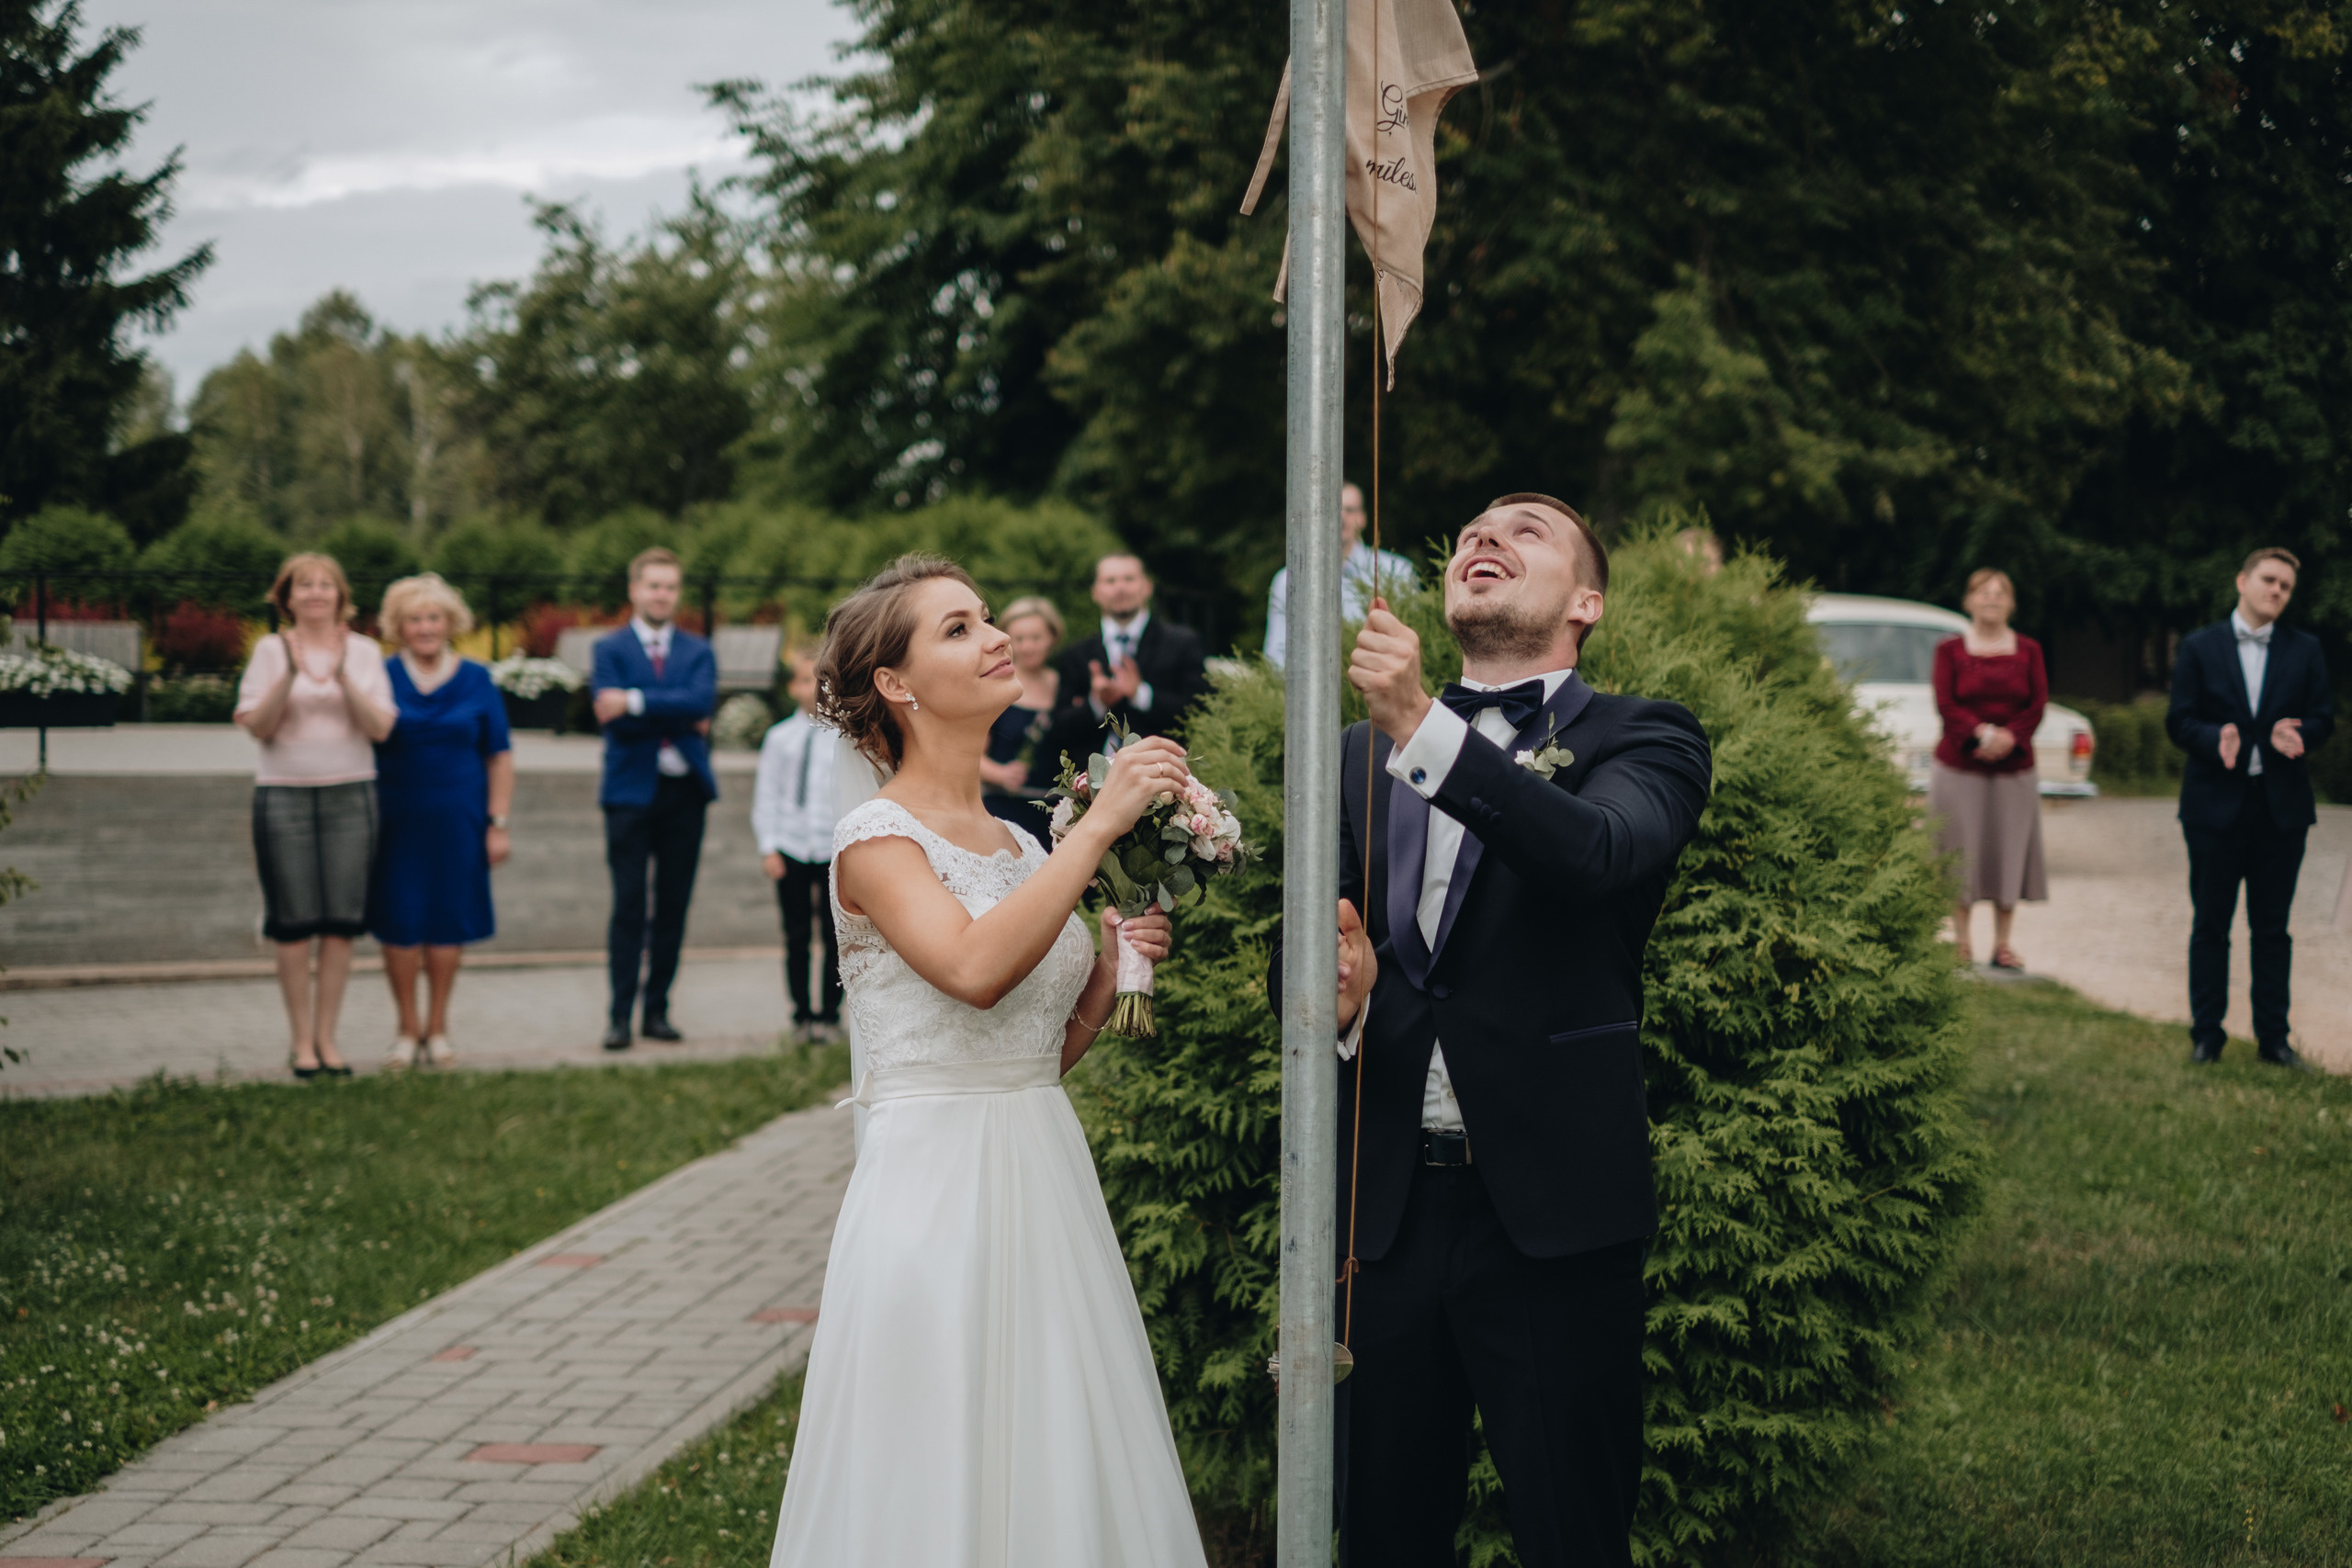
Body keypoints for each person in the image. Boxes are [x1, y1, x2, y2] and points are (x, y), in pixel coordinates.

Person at [1291, 493, 1712, 1568]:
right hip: (1384, 1216)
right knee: (1383, 1535)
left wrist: (1423, 728)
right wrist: (1334, 1006)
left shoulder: (1647, 734)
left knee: (1572, 1532)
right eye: (1473, 530)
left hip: (1553, 1212)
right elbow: (1332, 946)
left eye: (1525, 529)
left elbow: (1597, 855)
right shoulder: (1350, 756)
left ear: (1586, 602)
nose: (1485, 537)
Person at [769, 554, 1206, 1567]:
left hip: (1042, 1168)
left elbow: (1033, 1054)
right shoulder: (874, 840)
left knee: (1052, 1436)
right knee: (939, 1448)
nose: (996, 635)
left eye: (987, 618)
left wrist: (1104, 976)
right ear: (897, 684)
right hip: (934, 1189)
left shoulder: (1017, 843)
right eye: (958, 628)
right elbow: (970, 970)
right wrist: (1100, 824)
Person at [2166, 547, 2335, 1068]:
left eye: (2285, 586)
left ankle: (2274, 1041)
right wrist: (2214, 737)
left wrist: (2301, 733)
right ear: (2242, 580)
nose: (2276, 591)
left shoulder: (2305, 649)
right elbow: (2179, 720)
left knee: (2272, 929)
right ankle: (2207, 1036)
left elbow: (2324, 717)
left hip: (2281, 813)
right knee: (2211, 925)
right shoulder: (2199, 646)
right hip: (2213, 809)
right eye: (2268, 579)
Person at [233, 552, 399, 1079]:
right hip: (284, 797)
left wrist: (345, 678)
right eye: (304, 585)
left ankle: (329, 1038)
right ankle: (300, 1041)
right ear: (287, 597)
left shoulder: (366, 653)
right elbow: (258, 726)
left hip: (352, 798)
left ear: (340, 596)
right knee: (293, 923)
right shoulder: (268, 650)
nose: (316, 593)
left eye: (326, 585)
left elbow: (381, 729)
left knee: (340, 924)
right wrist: (289, 675)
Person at [369, 572, 514, 1069]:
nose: (426, 627)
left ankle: (439, 1029)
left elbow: (499, 755)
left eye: (434, 617)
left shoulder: (477, 678)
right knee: (401, 921)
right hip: (395, 820)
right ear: (399, 626)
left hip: (461, 819)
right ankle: (406, 1030)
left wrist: (497, 821)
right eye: (415, 619)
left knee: (448, 920)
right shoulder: (381, 675)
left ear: (450, 623)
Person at [592, 547, 718, 1052]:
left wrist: (637, 700)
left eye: (669, 586)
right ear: (634, 590)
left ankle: (657, 1010)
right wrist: (672, 711)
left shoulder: (698, 650)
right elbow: (608, 712)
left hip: (685, 790)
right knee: (628, 905)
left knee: (673, 904)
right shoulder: (610, 648)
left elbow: (700, 701)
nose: (661, 594)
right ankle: (619, 1015)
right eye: (653, 585)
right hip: (629, 792)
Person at [1928, 569, 2048, 970]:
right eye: (1984, 592)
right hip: (1959, 767)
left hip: (2014, 770)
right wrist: (1979, 733)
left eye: (2001, 593)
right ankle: (1961, 941)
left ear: (2011, 604)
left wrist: (2010, 737)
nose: (1992, 599)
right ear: (1969, 601)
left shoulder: (2029, 650)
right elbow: (1946, 704)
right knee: (1960, 851)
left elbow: (2037, 704)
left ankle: (2003, 944)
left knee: (2008, 851)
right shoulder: (1949, 651)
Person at [1040, 553, 1208, 773]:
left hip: (1162, 778)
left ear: (1147, 587)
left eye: (1129, 579)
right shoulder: (1076, 654)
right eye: (1110, 581)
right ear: (1095, 592)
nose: (1120, 588)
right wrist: (1096, 703)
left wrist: (1141, 694)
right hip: (1091, 785)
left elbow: (1199, 713)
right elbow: (1058, 729)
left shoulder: (1182, 643)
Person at [753, 649, 842, 1043]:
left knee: (835, 933)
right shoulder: (779, 738)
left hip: (831, 848)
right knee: (796, 933)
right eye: (806, 680)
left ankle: (828, 1013)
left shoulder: (844, 737)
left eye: (822, 681)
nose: (814, 689)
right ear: (792, 687)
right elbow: (767, 794)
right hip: (790, 845)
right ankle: (801, 1014)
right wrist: (769, 846)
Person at [1264, 481, 1419, 667]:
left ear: (1362, 518)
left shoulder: (1397, 572)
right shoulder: (1289, 580)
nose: (1342, 517)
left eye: (1349, 509)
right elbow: (1276, 655)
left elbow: (1412, 644)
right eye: (1333, 509)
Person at [978, 593, 1063, 846]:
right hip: (1006, 810)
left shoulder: (1065, 685)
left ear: (1052, 637)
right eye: (1019, 639)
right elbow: (970, 754)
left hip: (1058, 814)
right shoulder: (995, 687)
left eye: (1036, 638)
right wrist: (1000, 774)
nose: (1028, 647)